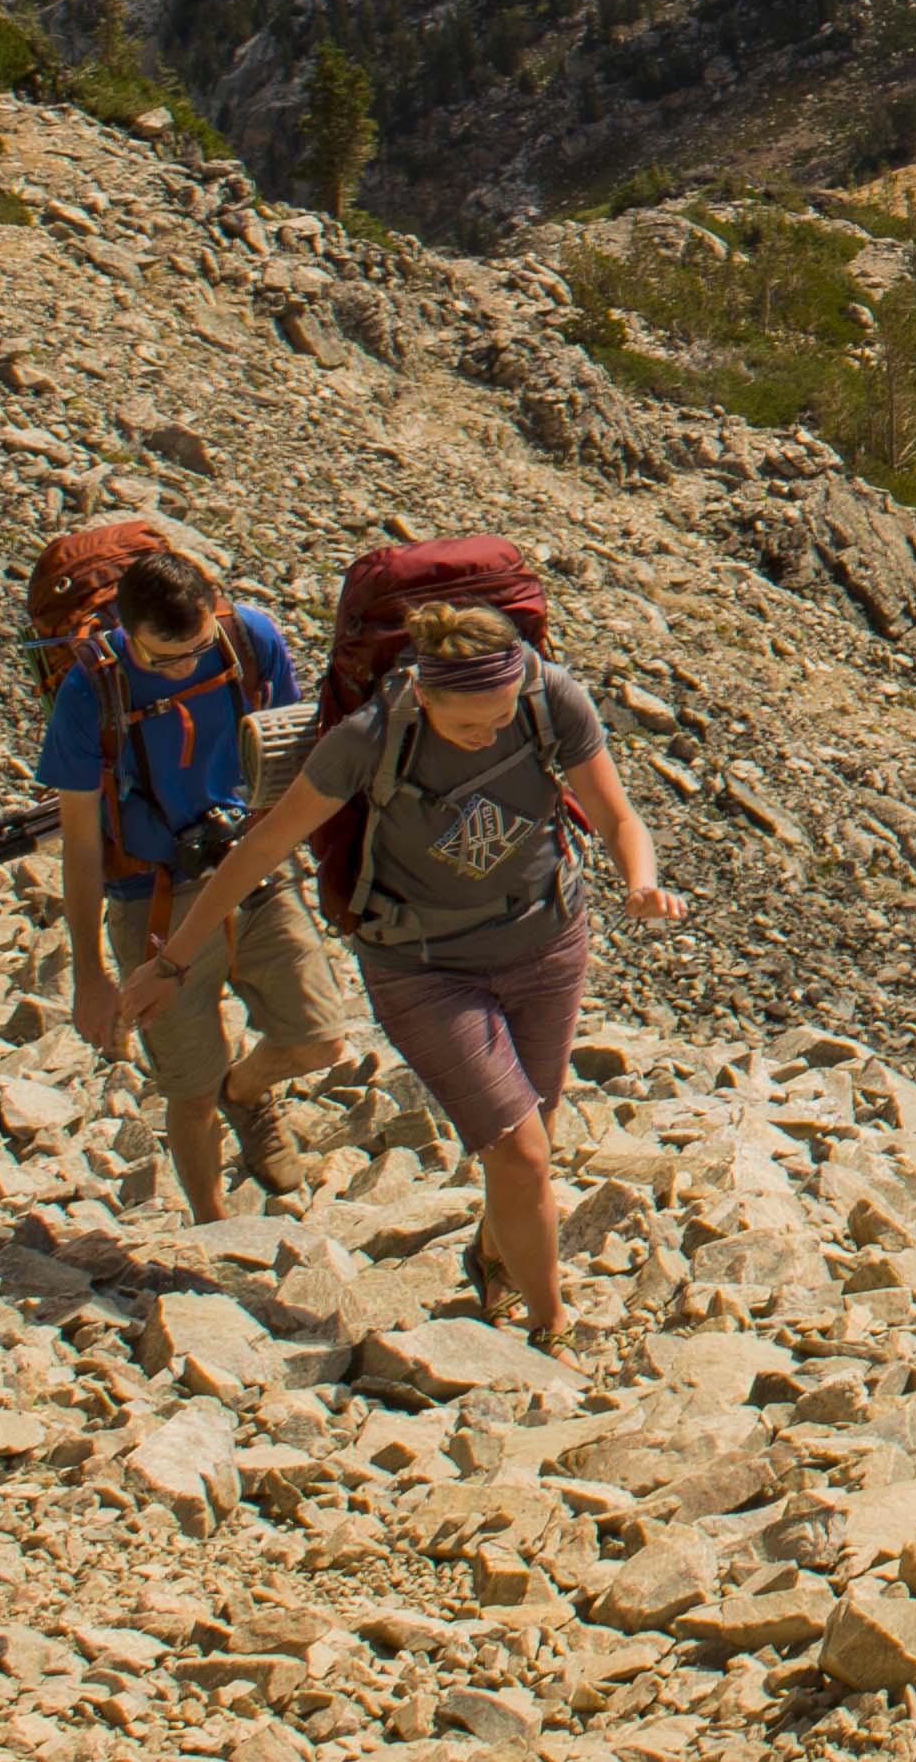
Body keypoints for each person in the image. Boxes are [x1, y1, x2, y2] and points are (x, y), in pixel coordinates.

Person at [148, 596, 682, 1345]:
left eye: (500, 719)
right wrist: (170, 961)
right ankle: (550, 1325)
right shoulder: (369, 739)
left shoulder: (548, 697)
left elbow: (618, 814)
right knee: (522, 1153)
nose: (489, 733)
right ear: (422, 695)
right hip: (423, 967)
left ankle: (494, 1264)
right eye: (469, 724)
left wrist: (639, 880)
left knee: (535, 1138)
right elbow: (262, 849)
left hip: (548, 943)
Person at [33, 537, 355, 1217]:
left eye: (195, 649)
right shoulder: (91, 687)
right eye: (160, 657)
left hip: (254, 866)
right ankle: (213, 1235)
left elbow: (294, 749)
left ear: (215, 610)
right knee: (188, 1085)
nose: (180, 666)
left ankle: (248, 1091)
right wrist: (91, 976)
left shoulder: (250, 638)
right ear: (125, 631)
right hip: (150, 895)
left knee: (319, 1038)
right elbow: (82, 843)